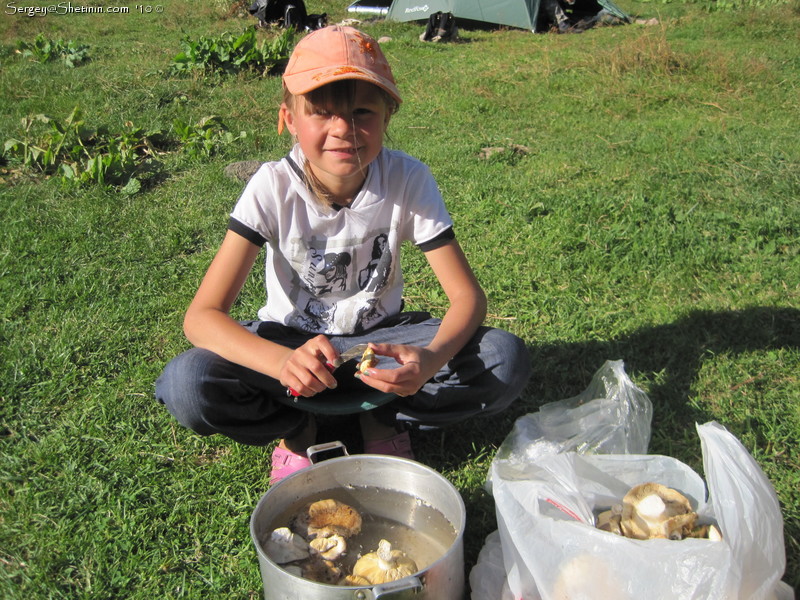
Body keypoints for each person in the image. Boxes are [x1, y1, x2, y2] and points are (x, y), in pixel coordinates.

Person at [155, 25, 531, 484]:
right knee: (187, 385)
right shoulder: (272, 187)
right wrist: (279, 363)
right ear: (290, 119)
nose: (343, 130)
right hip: (290, 344)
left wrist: (429, 359)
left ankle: (383, 419)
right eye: (322, 113)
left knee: (503, 358)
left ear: (388, 115)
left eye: (362, 111)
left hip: (384, 342)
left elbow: (467, 298)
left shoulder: (407, 179)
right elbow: (201, 317)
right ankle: (299, 427)